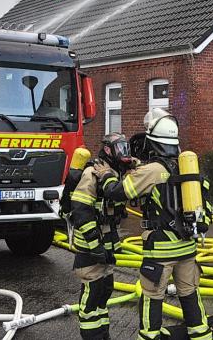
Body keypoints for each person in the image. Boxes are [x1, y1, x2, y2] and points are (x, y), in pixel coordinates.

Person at [94, 109, 213, 340]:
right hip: (188, 247)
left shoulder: (151, 171)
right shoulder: (187, 168)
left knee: (151, 297)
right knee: (190, 296)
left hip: (160, 250)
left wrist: (107, 173)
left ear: (154, 142)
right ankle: (202, 336)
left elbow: (117, 192)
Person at [64, 135, 134, 340]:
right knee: (92, 293)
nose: (124, 153)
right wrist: (95, 246)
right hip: (90, 244)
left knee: (105, 289)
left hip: (106, 243)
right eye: (119, 148)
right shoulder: (92, 172)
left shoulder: (113, 172)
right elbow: (81, 210)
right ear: (108, 150)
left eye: (125, 147)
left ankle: (102, 334)